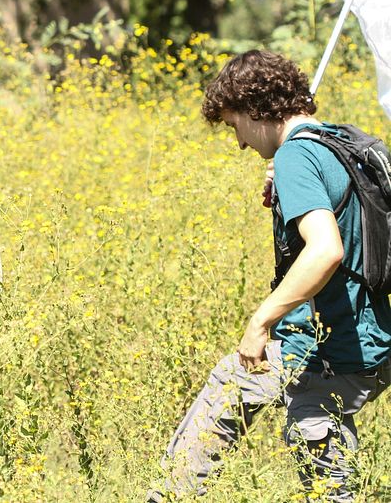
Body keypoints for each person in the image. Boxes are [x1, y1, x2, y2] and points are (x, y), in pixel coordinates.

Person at [147, 50, 391, 501]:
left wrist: (260, 321)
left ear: (256, 110)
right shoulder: (339, 144)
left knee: (235, 387)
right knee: (322, 462)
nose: (238, 141)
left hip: (324, 349)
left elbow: (326, 251)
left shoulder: (299, 157)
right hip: (369, 343)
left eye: (233, 124)